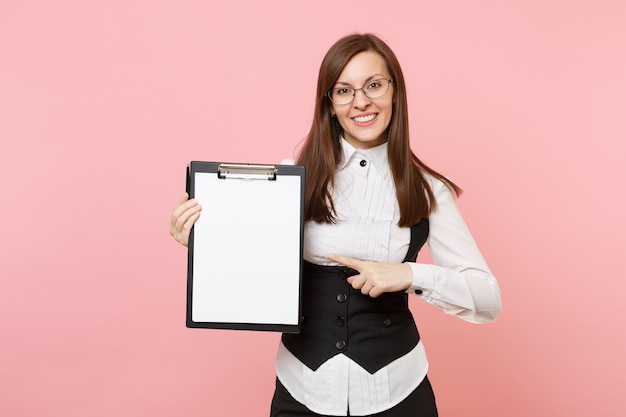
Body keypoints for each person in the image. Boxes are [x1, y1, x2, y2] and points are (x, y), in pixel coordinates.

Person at [169, 33, 501, 417]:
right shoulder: (291, 179)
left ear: (395, 92)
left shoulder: (429, 189)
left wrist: (409, 275)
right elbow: (253, 273)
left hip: (399, 393)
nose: (361, 102)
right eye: (344, 90)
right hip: (301, 392)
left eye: (374, 85)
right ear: (329, 104)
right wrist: (200, 241)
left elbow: (488, 299)